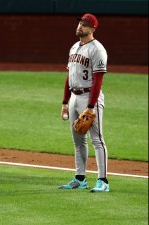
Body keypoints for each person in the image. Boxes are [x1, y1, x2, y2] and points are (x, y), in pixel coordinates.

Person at [59, 13, 109, 192]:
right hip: (74, 97)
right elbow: (69, 76)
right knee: (78, 140)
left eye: (85, 24)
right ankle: (80, 178)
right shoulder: (74, 47)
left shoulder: (97, 50)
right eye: (80, 23)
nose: (80, 26)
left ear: (93, 29)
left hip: (90, 98)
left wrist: (90, 107)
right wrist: (65, 101)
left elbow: (98, 80)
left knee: (97, 140)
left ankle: (103, 181)